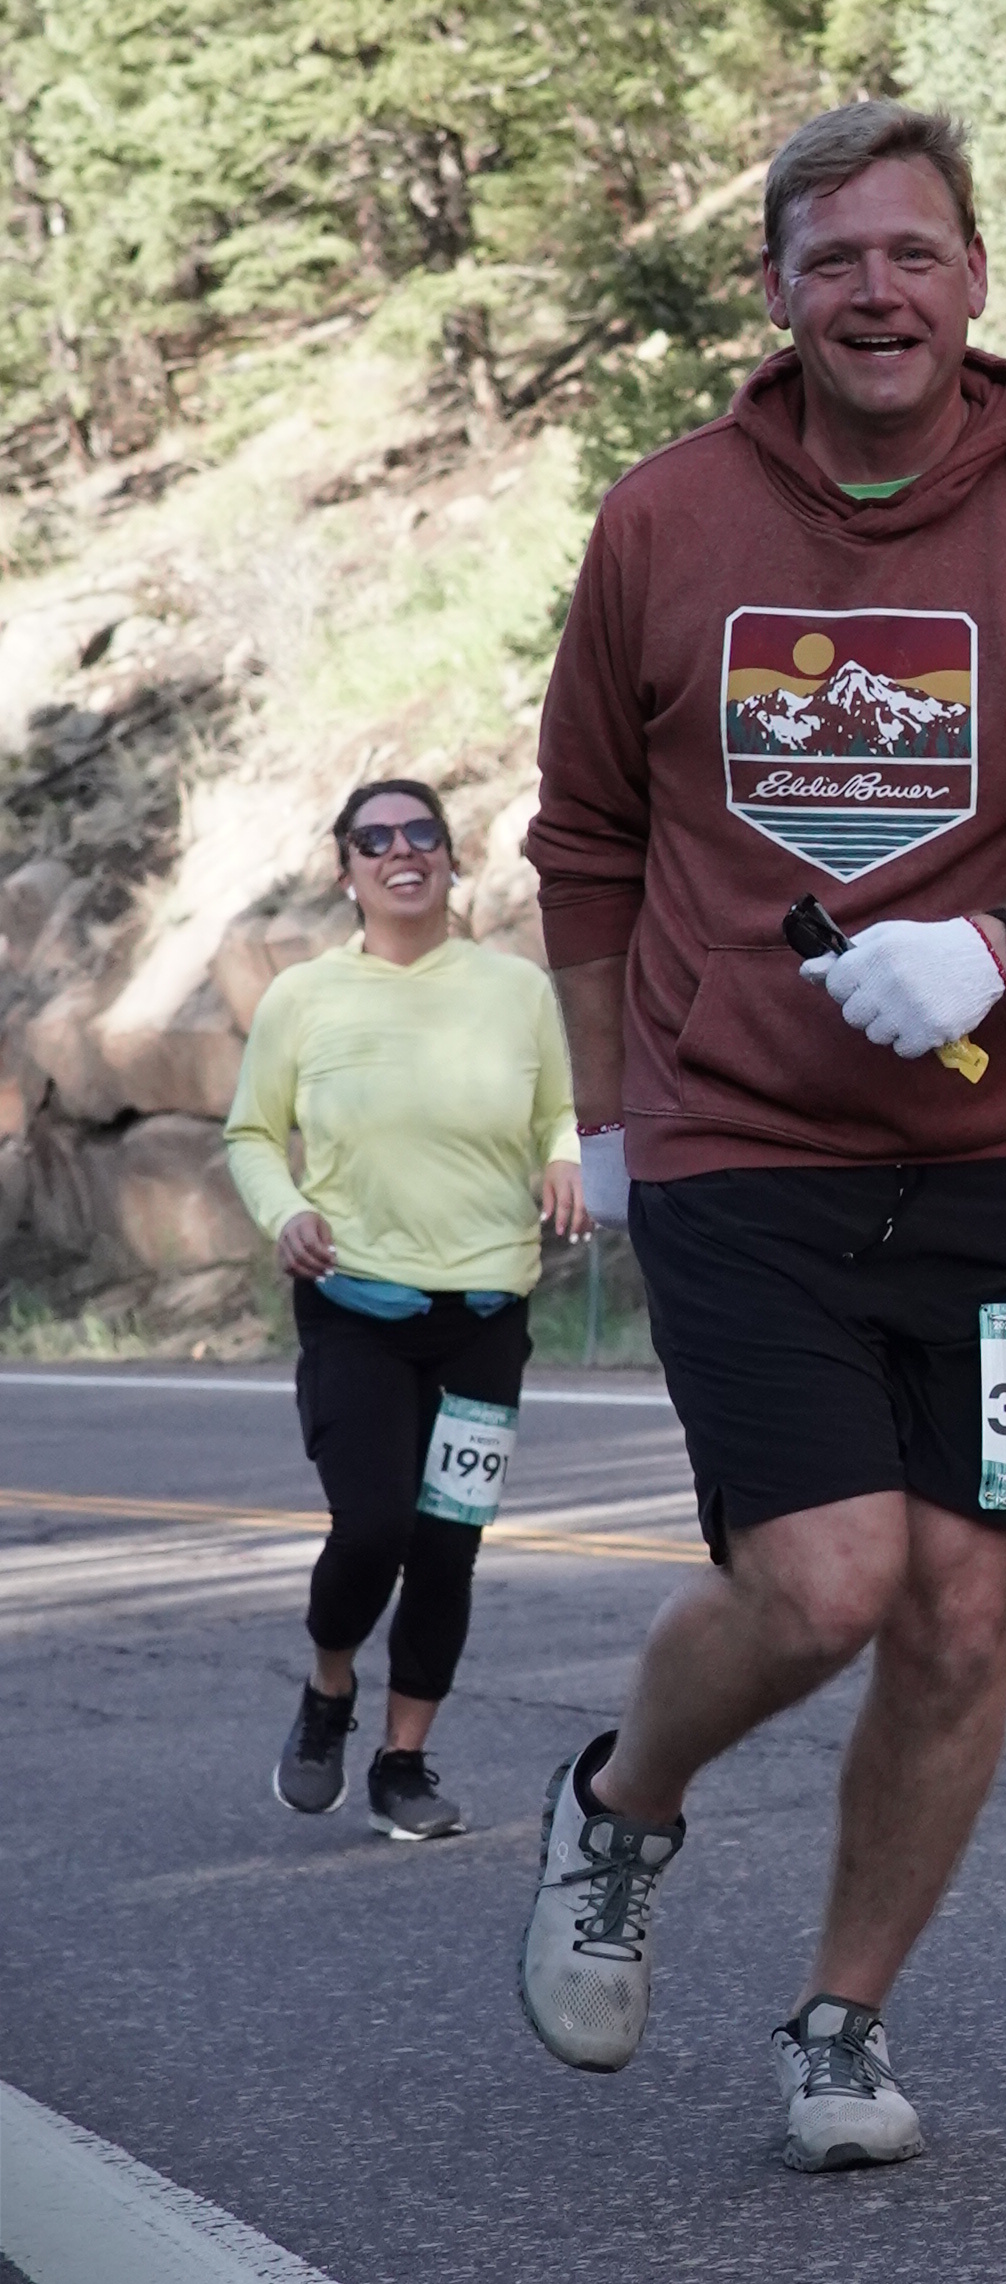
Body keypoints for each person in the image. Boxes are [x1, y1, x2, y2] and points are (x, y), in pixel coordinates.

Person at [517, 97, 1006, 2169]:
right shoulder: (663, 524)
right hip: (739, 1144)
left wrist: (1004, 945)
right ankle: (618, 1804)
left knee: (964, 1609)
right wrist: (607, 1119)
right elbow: (586, 845)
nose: (878, 292)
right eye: (835, 260)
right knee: (824, 1584)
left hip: (1002, 1155)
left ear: (974, 277)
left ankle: (840, 2019)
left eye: (914, 253)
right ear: (777, 291)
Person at [225, 778, 587, 1837]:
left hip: (485, 1307)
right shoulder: (304, 996)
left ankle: (404, 1762)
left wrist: (565, 1158)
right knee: (374, 1524)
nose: (402, 851)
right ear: (347, 870)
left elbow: (563, 1110)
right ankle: (329, 1686)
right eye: (374, 839)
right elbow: (252, 1135)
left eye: (421, 832)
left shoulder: (515, 989)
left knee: (445, 1544)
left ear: (451, 857)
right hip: (354, 1301)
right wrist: (287, 1212)